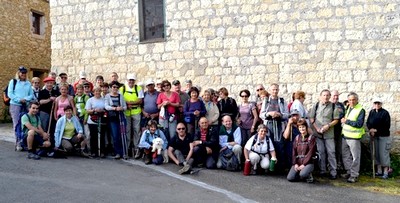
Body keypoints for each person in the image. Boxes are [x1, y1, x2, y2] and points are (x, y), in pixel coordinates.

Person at [309, 89, 339, 179]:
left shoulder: (333, 106)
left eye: (327, 95)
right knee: (321, 152)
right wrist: (317, 128)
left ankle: (333, 172)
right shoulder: (316, 105)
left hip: (329, 134)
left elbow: (336, 120)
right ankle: (323, 171)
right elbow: (311, 118)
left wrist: (328, 126)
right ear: (321, 96)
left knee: (331, 152)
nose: (326, 97)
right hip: (318, 134)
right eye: (324, 95)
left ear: (330, 96)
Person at [259, 83, 289, 171]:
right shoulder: (266, 101)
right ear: (270, 90)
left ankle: (279, 167)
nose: (275, 91)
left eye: (276, 89)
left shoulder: (282, 101)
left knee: (279, 145)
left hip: (279, 125)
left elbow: (287, 115)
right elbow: (262, 114)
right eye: (273, 89)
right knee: (268, 144)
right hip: (269, 125)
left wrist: (279, 114)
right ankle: (267, 167)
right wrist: (269, 113)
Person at [341, 92, 365, 183]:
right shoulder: (348, 108)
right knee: (346, 156)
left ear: (357, 100)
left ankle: (354, 175)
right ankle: (349, 172)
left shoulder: (361, 110)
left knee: (355, 157)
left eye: (353, 99)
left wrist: (347, 121)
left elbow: (359, 124)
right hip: (345, 136)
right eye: (350, 100)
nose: (352, 101)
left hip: (354, 138)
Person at [8, 66, 34, 150]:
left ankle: (25, 142)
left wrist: (25, 99)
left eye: (25, 73)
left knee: (25, 123)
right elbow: (10, 94)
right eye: (22, 72)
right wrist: (19, 100)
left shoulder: (28, 83)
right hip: (15, 105)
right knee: (17, 124)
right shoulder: (13, 82)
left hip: (25, 105)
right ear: (18, 73)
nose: (23, 74)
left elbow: (31, 94)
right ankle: (18, 143)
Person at [120, 73, 144, 158]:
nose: (131, 81)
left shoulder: (138, 88)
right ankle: (127, 149)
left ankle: (136, 149)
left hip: (136, 112)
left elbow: (140, 100)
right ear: (127, 80)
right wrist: (127, 105)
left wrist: (130, 103)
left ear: (134, 81)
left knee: (136, 131)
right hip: (126, 112)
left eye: (132, 80)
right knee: (127, 131)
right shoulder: (122, 89)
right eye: (130, 80)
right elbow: (121, 100)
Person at [367, 98, 391, 179]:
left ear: (381, 104)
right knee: (375, 153)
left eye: (378, 103)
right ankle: (379, 171)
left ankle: (386, 171)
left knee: (383, 154)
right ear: (373, 104)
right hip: (374, 136)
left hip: (383, 136)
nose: (377, 105)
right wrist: (370, 129)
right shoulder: (372, 112)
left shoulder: (385, 113)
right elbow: (368, 122)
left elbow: (387, 126)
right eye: (375, 103)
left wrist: (376, 130)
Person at [105, 81, 127, 159]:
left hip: (121, 117)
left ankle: (124, 152)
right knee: (115, 135)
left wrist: (121, 108)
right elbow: (106, 106)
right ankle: (117, 152)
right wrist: (114, 108)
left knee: (123, 135)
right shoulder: (107, 96)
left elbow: (125, 107)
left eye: (117, 87)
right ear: (111, 88)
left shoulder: (121, 96)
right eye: (114, 87)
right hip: (113, 118)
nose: (115, 88)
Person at [85, 87, 107, 157]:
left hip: (102, 119)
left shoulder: (104, 100)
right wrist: (94, 110)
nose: (97, 93)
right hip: (92, 119)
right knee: (93, 136)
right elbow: (87, 110)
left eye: (98, 91)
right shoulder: (90, 100)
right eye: (96, 91)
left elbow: (106, 108)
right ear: (93, 92)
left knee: (102, 136)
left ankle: (102, 151)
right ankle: (93, 151)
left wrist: (102, 110)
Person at [331, 90, 346, 170]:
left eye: (337, 95)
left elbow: (344, 115)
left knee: (339, 149)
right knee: (331, 149)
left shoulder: (341, 105)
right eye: (334, 95)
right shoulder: (329, 105)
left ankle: (338, 164)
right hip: (330, 130)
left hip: (339, 130)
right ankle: (330, 165)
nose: (336, 97)